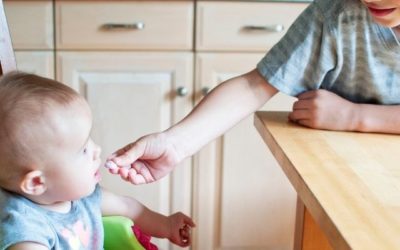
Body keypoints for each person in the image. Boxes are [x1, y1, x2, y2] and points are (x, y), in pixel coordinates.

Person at [105, 0, 400, 185]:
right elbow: (254, 85)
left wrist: (356, 116)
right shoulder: (335, 14)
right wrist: (175, 144)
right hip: (344, 183)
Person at [0, 72, 195, 249]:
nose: (96, 150)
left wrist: (167, 225)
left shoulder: (81, 196)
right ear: (36, 182)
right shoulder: (26, 232)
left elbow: (128, 207)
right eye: (83, 149)